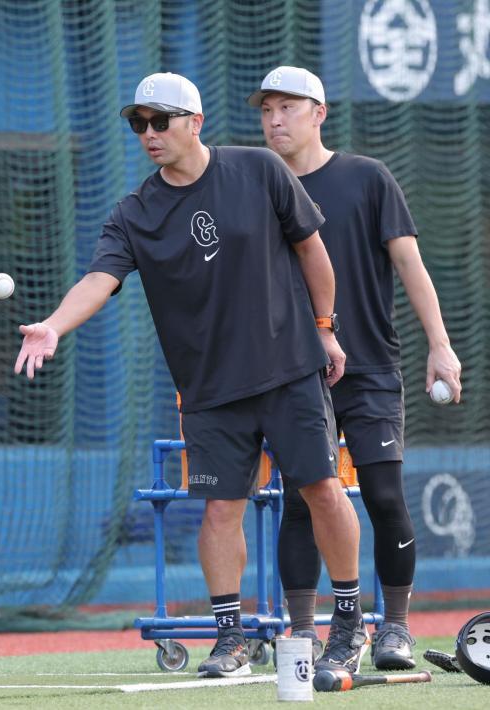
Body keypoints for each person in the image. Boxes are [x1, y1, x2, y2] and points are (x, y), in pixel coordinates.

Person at [14, 72, 364, 678]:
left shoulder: (259, 170)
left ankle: (350, 625)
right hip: (207, 387)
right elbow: (100, 279)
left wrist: (326, 327)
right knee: (220, 510)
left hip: (289, 370)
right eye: (138, 124)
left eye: (160, 122)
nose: (148, 135)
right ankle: (229, 638)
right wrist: (53, 326)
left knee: (322, 490)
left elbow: (312, 250)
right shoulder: (135, 212)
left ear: (195, 122)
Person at [249, 66, 463, 671]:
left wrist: (440, 346)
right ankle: (301, 635)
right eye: (266, 109)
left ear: (318, 113)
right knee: (300, 500)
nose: (274, 120)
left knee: (385, 496)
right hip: (291, 374)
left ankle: (392, 628)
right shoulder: (256, 186)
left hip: (368, 368)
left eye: (287, 107)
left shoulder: (367, 178)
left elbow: (411, 266)